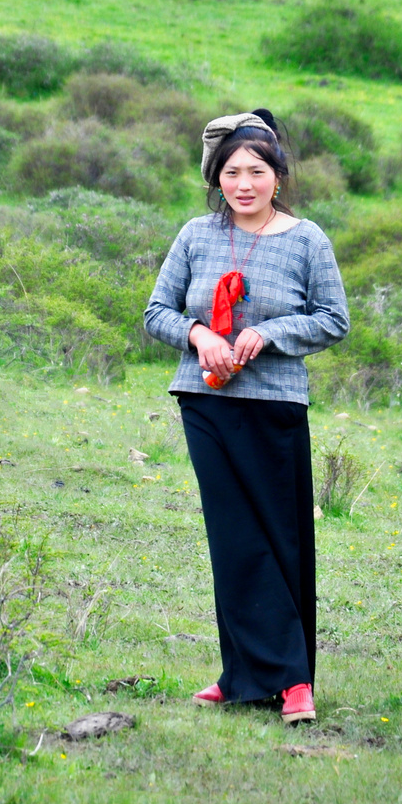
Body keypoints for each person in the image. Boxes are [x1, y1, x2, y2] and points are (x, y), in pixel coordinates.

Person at [143, 110, 350, 724]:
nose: (244, 183)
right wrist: (199, 335)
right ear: (216, 178)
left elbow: (333, 319)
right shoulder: (195, 235)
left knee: (280, 538)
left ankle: (293, 682)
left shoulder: (308, 239)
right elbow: (157, 311)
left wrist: (270, 331)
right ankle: (242, 678)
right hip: (206, 402)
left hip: (276, 405)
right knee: (233, 540)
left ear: (278, 177)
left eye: (257, 171)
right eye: (231, 172)